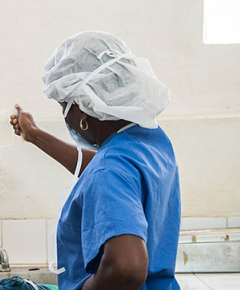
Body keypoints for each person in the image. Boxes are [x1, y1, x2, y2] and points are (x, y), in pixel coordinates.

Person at [10, 31, 180, 290]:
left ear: (85, 107)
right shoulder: (150, 142)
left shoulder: (110, 169)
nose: (65, 117)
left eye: (63, 105)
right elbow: (104, 170)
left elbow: (127, 269)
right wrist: (34, 135)